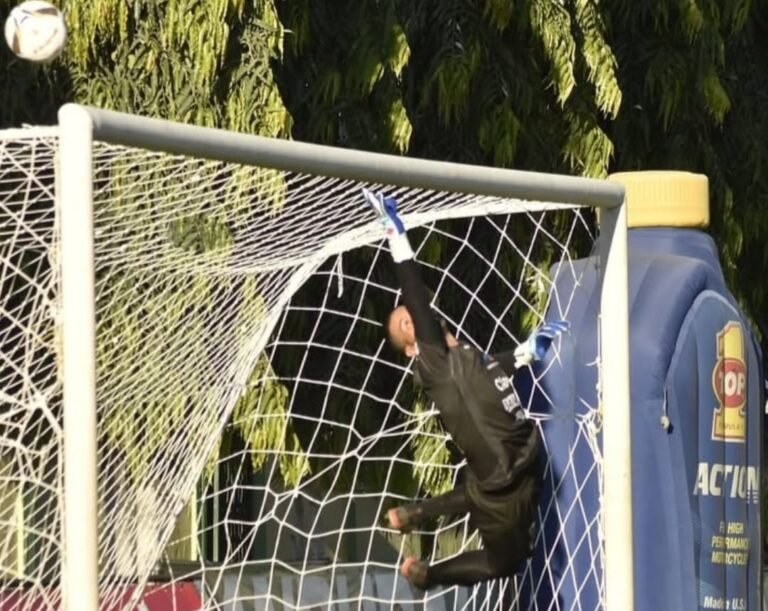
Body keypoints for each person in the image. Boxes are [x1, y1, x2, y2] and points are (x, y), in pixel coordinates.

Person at [363, 189, 569, 590]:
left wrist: (527, 351)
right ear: (412, 351)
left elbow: (496, 370)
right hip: (507, 487)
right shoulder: (436, 362)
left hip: (524, 470)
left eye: (408, 316)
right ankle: (428, 572)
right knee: (505, 562)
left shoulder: (469, 358)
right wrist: (395, 234)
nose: (411, 317)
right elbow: (415, 292)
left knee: (480, 499)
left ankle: (414, 514)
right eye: (405, 324)